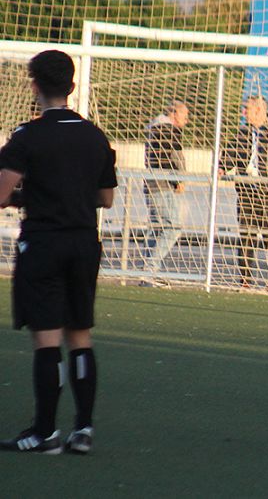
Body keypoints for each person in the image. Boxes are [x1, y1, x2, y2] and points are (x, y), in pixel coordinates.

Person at [0, 50, 117, 454]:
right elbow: (106, 198)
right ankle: (82, 430)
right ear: (71, 86)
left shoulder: (27, 135)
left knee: (47, 341)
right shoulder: (94, 135)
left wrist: (24, 194)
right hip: (84, 243)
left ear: (34, 85)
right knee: (80, 335)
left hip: (44, 243)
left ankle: (44, 432)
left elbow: (2, 193)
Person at [219, 97, 268, 290]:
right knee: (246, 237)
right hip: (247, 193)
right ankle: (245, 281)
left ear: (258, 110)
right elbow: (229, 155)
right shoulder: (242, 133)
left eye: (246, 109)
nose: (243, 113)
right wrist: (222, 168)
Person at [143, 99, 189, 282]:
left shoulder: (153, 128)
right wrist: (180, 179)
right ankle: (150, 267)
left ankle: (148, 274)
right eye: (185, 116)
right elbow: (174, 158)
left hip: (150, 184)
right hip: (162, 185)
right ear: (174, 114)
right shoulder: (170, 130)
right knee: (174, 227)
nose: (187, 120)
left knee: (156, 228)